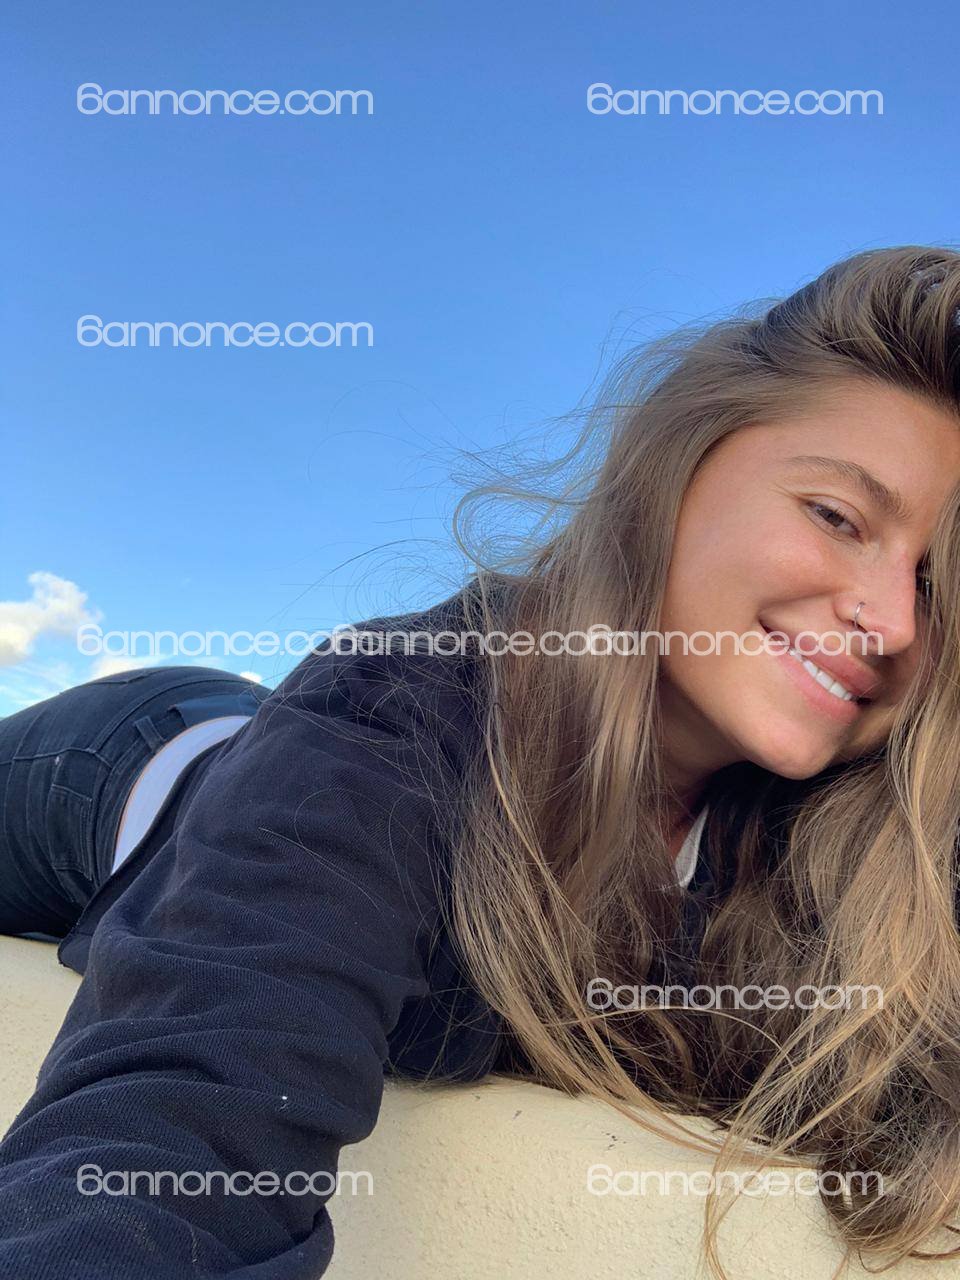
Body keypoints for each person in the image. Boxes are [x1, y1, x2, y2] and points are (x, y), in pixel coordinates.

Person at [2, 244, 960, 1279]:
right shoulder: (391, 721)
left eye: (934, 581)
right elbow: (170, 1144)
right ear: (675, 471)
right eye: (837, 516)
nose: (892, 621)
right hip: (118, 758)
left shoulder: (843, 846)